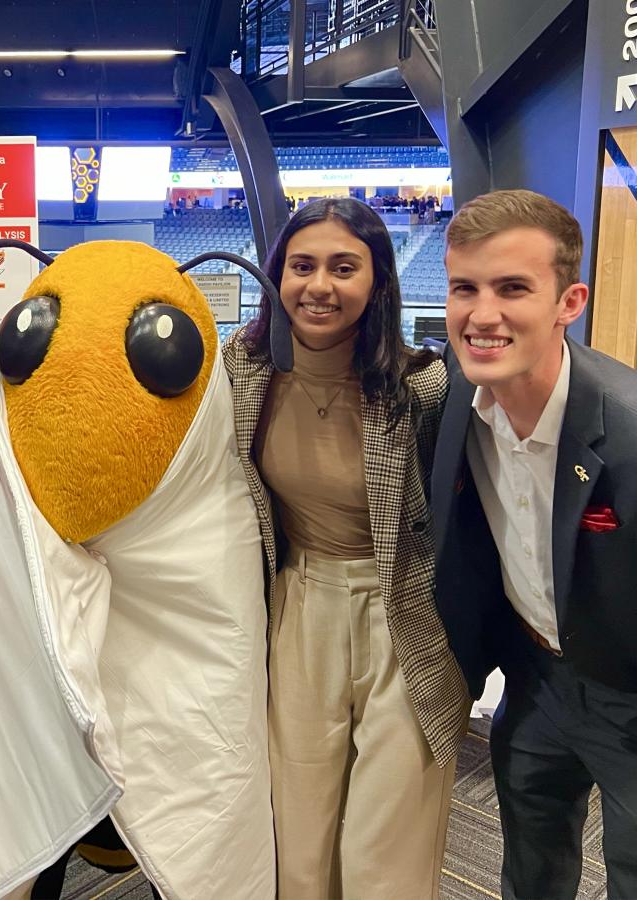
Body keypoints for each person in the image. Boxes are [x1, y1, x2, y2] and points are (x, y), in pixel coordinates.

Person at [222, 197, 468, 899]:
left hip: (409, 618)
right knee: (295, 834)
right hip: (298, 605)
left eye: (343, 267)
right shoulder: (243, 372)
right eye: (302, 266)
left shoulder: (422, 385)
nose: (319, 286)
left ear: (378, 281)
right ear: (278, 274)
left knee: (387, 844)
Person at [433, 189, 637, 899]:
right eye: (466, 288)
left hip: (631, 694)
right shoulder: (454, 400)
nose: (482, 315)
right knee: (530, 868)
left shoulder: (631, 431)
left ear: (569, 301)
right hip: (533, 679)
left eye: (512, 288)